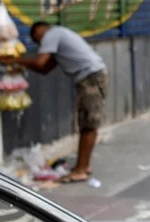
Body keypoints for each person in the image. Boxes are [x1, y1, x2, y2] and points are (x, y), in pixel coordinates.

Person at [18, 22, 108, 183]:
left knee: (89, 124)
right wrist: (20, 64)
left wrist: (16, 61)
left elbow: (40, 62)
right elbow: (44, 69)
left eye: (38, 40)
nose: (40, 45)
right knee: (87, 123)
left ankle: (81, 170)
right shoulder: (59, 38)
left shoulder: (52, 34)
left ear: (40, 32)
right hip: (90, 76)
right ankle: (83, 166)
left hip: (90, 77)